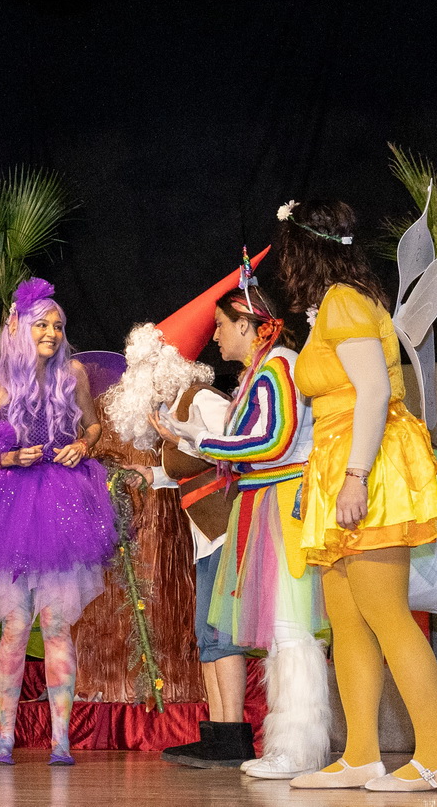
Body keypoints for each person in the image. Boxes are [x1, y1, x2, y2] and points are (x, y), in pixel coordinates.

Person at [276, 199, 437, 791]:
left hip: (367, 462)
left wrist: (355, 476)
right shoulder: (334, 305)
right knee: (347, 621)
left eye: (288, 253)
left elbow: (375, 392)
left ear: (305, 251)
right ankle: (360, 754)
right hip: (337, 460)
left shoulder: (344, 302)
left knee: (386, 615)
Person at [0, 278, 116, 766]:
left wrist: (84, 444)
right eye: (43, 325)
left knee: (56, 624)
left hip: (62, 502)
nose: (52, 333)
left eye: (58, 325)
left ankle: (61, 740)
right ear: (18, 328)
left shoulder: (72, 373)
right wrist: (10, 458)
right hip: (9, 504)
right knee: (16, 625)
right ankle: (5, 737)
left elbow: (93, 424)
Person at [154, 283, 329, 778]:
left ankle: (297, 749)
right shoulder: (258, 373)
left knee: (291, 631)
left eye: (221, 326)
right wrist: (191, 437)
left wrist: (203, 439)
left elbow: (274, 441)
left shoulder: (280, 366)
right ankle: (289, 746)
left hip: (286, 501)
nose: (215, 337)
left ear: (247, 325)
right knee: (283, 632)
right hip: (264, 502)